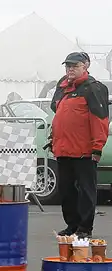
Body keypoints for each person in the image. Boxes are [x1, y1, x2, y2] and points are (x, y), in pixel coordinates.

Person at [50, 52, 110, 238]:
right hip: (63, 150)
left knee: (86, 191)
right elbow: (57, 113)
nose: (70, 69)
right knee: (66, 191)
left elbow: (100, 120)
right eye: (68, 66)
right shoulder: (62, 87)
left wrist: (97, 147)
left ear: (86, 66)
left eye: (74, 66)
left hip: (84, 151)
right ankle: (72, 225)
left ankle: (85, 228)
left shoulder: (93, 88)